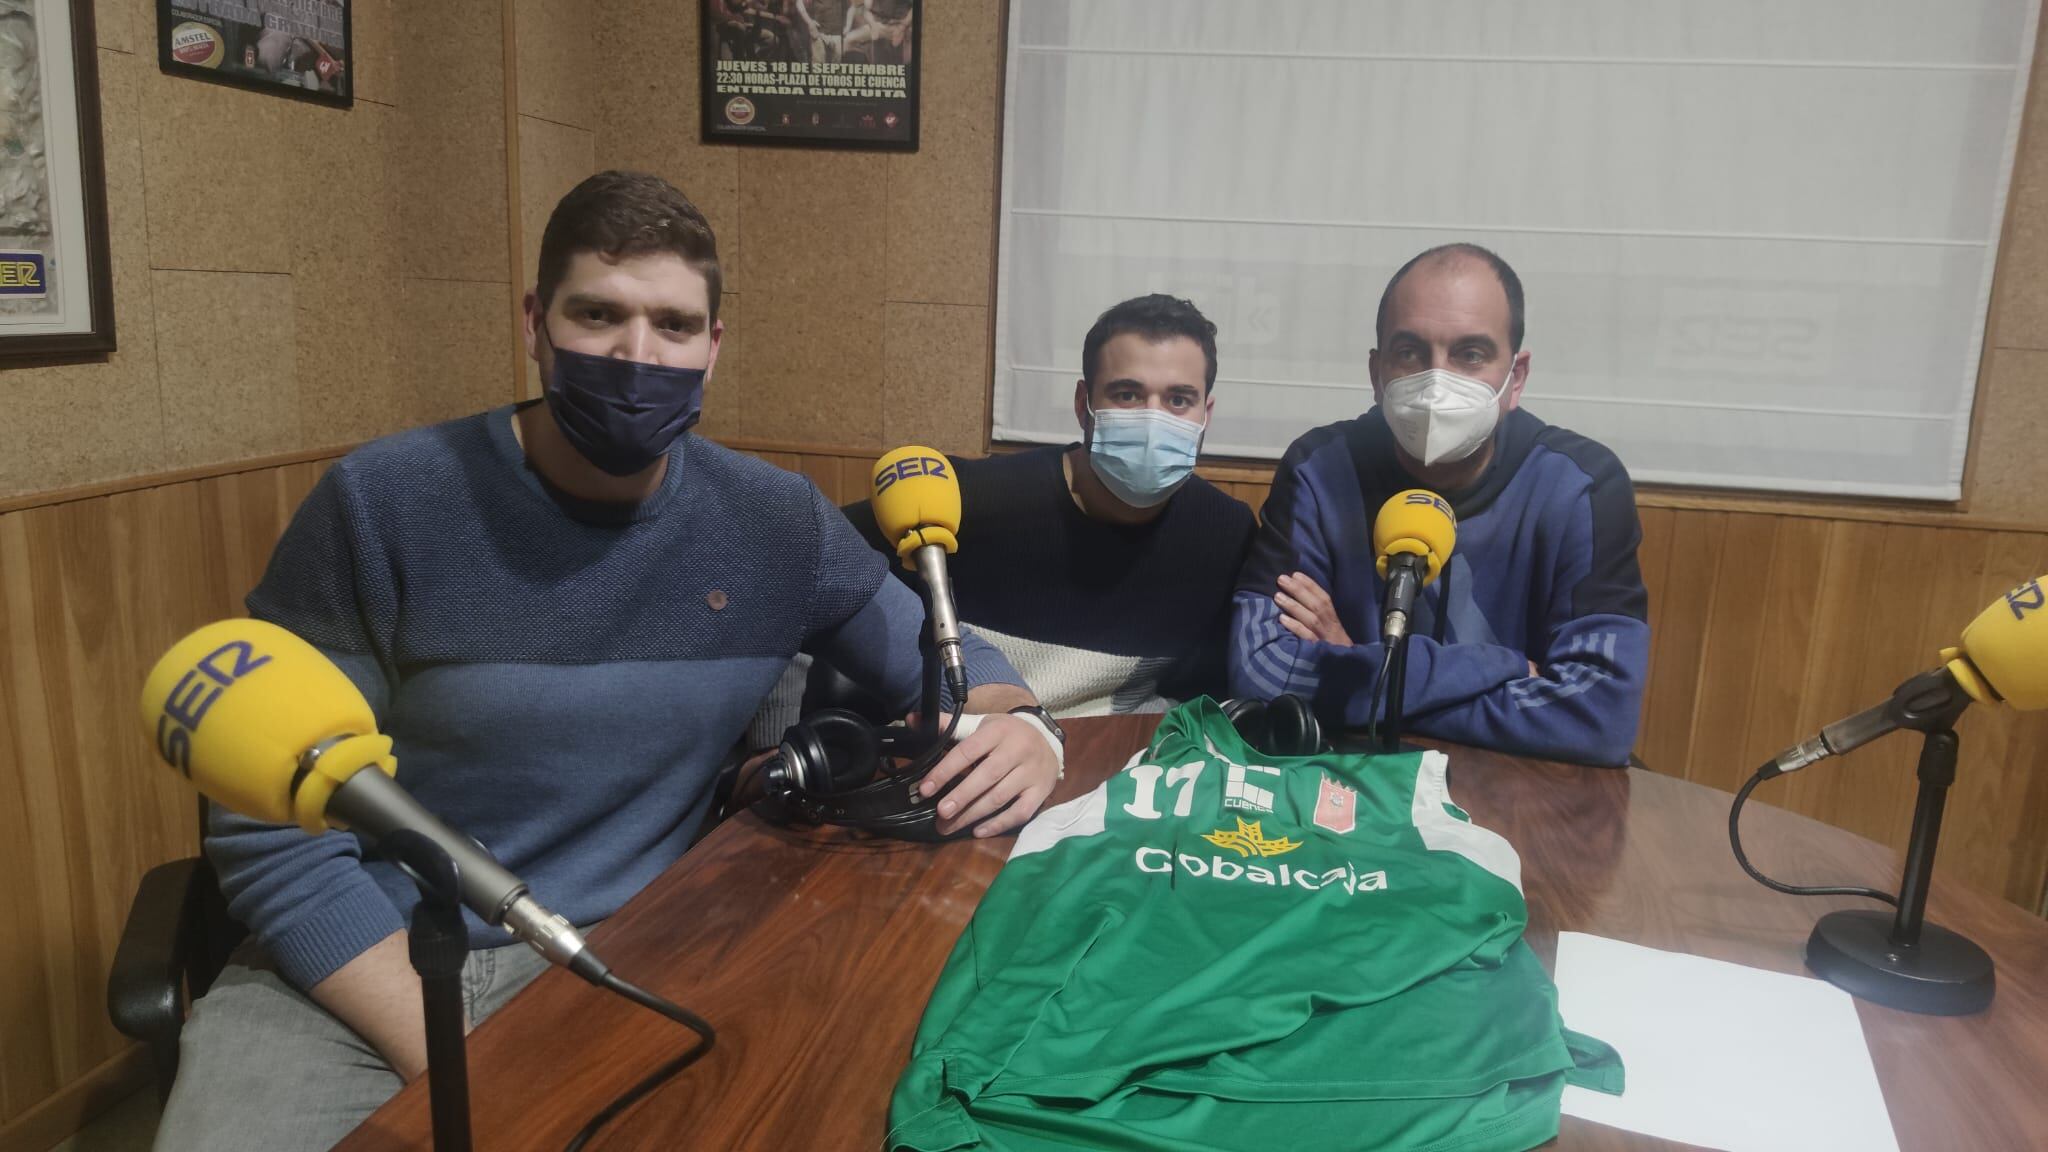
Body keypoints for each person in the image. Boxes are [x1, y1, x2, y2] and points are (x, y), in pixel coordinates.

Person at [153, 171, 1063, 1152]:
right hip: (361, 963)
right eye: (599, 315)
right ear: (535, 323)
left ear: (713, 348)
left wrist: (1023, 725)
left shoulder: (772, 522)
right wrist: (459, 1056)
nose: (639, 356)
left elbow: (941, 653)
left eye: (673, 326)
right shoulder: (383, 505)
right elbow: (269, 831)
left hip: (631, 951)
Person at [1230, 244, 1649, 766]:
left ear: (1514, 378)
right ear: (1377, 370)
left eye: (1470, 354)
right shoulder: (1319, 468)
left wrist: (1359, 666)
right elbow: (1261, 669)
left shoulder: (1582, 485)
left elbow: (1598, 718)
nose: (1436, 380)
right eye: (1410, 352)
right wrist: (1511, 667)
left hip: (1523, 789)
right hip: (1353, 782)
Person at [830, 294, 1255, 718]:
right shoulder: (961, 501)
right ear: (1082, 404)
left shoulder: (1224, 534)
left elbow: (1207, 697)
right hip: (960, 752)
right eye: (1127, 394)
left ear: (1206, 413)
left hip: (1112, 765)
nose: (1152, 420)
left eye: (1179, 400)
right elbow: (812, 566)